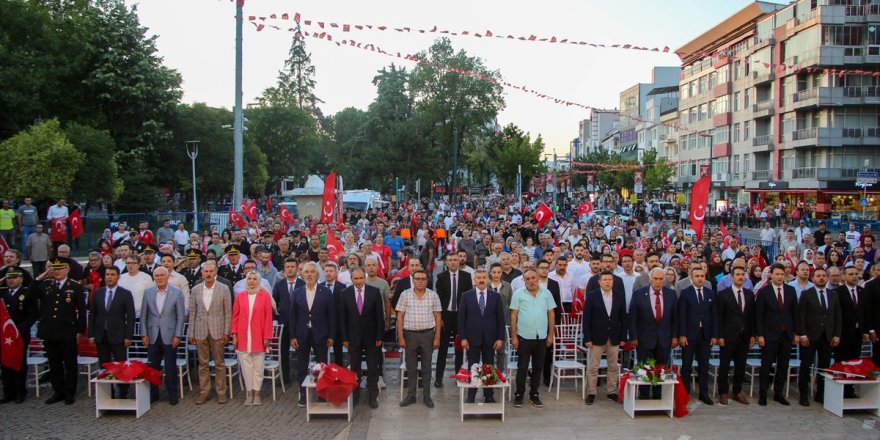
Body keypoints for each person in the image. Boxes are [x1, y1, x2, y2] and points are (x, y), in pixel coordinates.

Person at [31, 257, 86, 405]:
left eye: (60, 268)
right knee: (54, 363)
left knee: (70, 363)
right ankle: (58, 391)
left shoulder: (75, 286)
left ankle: (70, 392)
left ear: (67, 269)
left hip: (68, 331)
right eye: (54, 269)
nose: (57, 272)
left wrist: (80, 330)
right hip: (49, 330)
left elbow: (81, 310)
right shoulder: (46, 285)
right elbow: (31, 294)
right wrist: (39, 277)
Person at [290, 261, 336, 407]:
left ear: (316, 274)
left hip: (320, 334)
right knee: (302, 365)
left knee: (322, 365)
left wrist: (331, 336)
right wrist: (292, 336)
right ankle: (303, 394)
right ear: (302, 275)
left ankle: (322, 393)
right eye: (306, 272)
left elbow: (331, 315)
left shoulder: (326, 292)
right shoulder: (297, 292)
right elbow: (293, 316)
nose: (309, 274)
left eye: (312, 272)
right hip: (302, 335)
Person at [629, 267, 678, 399]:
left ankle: (658, 396)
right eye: (655, 279)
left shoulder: (671, 294)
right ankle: (644, 395)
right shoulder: (639, 294)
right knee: (645, 368)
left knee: (661, 368)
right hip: (644, 339)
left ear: (664, 280)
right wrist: (633, 336)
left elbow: (675, 318)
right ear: (650, 279)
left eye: (661, 279)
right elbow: (633, 317)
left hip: (664, 339)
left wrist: (674, 337)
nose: (658, 282)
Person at [339, 267, 385, 408]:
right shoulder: (344, 294)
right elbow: (342, 318)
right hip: (353, 338)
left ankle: (373, 395)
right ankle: (355, 394)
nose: (358, 281)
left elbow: (379, 316)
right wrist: (345, 338)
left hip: (372, 338)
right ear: (351, 279)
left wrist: (379, 336)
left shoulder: (374, 292)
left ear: (364, 278)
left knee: (373, 368)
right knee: (354, 368)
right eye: (355, 279)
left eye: (360, 278)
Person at [458, 268, 505, 404]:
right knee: (473, 366)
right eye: (478, 277)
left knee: (489, 366)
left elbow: (500, 319)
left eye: (484, 277)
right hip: (472, 339)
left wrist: (500, 338)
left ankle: (488, 394)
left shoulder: (495, 296)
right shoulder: (466, 296)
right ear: (475, 280)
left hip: (491, 339)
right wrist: (463, 338)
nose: (481, 280)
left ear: (488, 279)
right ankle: (471, 395)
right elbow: (461, 319)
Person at [510, 268, 555, 408]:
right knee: (522, 367)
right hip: (523, 337)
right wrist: (514, 337)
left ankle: (534, 394)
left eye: (533, 278)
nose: (531, 281)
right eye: (527, 279)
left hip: (541, 336)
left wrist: (550, 335)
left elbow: (551, 315)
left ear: (538, 279)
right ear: (524, 280)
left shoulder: (546, 293)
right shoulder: (518, 294)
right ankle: (519, 395)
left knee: (538, 367)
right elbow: (513, 316)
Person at [396, 269, 442, 408]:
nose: (420, 281)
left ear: (427, 281)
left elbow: (438, 317)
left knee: (427, 367)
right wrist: (401, 336)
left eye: (423, 279)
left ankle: (427, 396)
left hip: (428, 334)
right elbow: (400, 316)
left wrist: (437, 337)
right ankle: (411, 395)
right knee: (411, 367)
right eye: (417, 278)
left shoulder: (433, 295)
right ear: (413, 279)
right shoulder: (405, 295)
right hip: (410, 335)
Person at [188, 260, 233, 404]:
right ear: (201, 273)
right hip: (200, 330)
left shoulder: (224, 288)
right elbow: (192, 312)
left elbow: (228, 312)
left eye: (211, 271)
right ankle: (204, 391)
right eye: (205, 271)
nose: (208, 274)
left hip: (218, 330)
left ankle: (221, 391)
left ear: (216, 272)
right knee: (203, 364)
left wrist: (227, 332)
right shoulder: (195, 289)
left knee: (219, 363)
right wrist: (191, 333)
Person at [88, 266, 135, 398]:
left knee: (120, 365)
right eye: (107, 274)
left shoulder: (125, 294)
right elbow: (92, 316)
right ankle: (108, 393)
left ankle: (123, 391)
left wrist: (128, 336)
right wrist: (91, 335)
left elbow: (130, 317)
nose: (109, 277)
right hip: (101, 336)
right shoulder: (98, 293)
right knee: (104, 365)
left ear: (118, 277)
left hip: (119, 336)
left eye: (112, 274)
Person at [140, 267, 185, 404]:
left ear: (167, 277)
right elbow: (143, 315)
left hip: (170, 335)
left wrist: (178, 335)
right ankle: (154, 394)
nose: (159, 278)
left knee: (171, 367)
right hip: (152, 334)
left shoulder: (176, 293)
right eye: (157, 275)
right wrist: (144, 334)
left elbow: (180, 316)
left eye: (162, 275)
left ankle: (172, 395)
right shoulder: (148, 293)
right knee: (153, 367)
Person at [755, 263, 798, 406]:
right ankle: (763, 393)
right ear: (771, 275)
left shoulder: (791, 291)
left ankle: (778, 393)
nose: (780, 277)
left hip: (786, 335)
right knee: (766, 366)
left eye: (782, 274)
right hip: (769, 335)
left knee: (783, 366)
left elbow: (794, 313)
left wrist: (796, 333)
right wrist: (760, 335)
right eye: (777, 274)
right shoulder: (764, 292)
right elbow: (759, 316)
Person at [796, 267, 840, 406]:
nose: (821, 278)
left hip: (827, 336)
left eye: (823, 276)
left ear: (826, 278)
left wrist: (836, 334)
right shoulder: (806, 294)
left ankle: (821, 393)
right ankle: (803, 394)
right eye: (818, 276)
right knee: (806, 365)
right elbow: (801, 316)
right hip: (810, 336)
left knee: (824, 366)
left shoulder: (833, 295)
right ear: (813, 279)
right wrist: (802, 334)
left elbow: (837, 316)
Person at [583, 271, 627, 405]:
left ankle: (611, 391)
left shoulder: (619, 296)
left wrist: (623, 337)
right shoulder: (592, 296)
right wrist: (587, 338)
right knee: (593, 367)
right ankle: (591, 392)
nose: (607, 282)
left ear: (613, 281)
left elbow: (623, 318)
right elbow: (587, 318)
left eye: (610, 279)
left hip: (614, 336)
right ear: (599, 282)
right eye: (605, 280)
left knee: (613, 366)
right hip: (596, 337)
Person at [677, 263, 718, 405]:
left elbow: (714, 316)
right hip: (689, 335)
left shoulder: (710, 293)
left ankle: (704, 393)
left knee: (704, 366)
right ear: (691, 277)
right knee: (687, 366)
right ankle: (685, 393)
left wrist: (714, 335)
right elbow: (681, 315)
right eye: (697, 276)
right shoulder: (685, 292)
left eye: (702, 276)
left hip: (705, 335)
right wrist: (682, 334)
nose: (700, 279)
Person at [231, 271, 273, 406]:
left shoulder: (264, 296)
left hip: (259, 335)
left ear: (258, 281)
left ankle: (257, 392)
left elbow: (268, 318)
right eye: (249, 279)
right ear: (246, 280)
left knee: (258, 366)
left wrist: (267, 336)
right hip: (243, 336)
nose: (252, 281)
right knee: (246, 366)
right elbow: (235, 317)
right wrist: (234, 334)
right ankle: (249, 393)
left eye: (255, 279)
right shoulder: (240, 296)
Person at [716, 266, 754, 405]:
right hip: (727, 336)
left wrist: (752, 334)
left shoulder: (749, 294)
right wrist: (719, 336)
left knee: (741, 366)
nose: (740, 277)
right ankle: (723, 392)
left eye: (742, 274)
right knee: (724, 366)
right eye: (737, 274)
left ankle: (737, 391)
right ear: (731, 277)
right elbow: (719, 317)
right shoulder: (723, 294)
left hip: (744, 336)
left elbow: (751, 316)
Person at [434, 252, 473, 387]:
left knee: (459, 349)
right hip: (446, 317)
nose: (453, 262)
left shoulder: (467, 277)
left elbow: (468, 300)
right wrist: (440, 319)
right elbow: (438, 299)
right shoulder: (441, 277)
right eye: (450, 260)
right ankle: (438, 378)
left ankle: (459, 376)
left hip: (460, 317)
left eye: (455, 260)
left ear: (459, 261)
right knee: (443, 349)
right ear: (445, 262)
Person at [0, 268, 38, 403]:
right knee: (5, 363)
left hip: (19, 334)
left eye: (14, 277)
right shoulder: (3, 293)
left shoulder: (26, 293)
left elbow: (33, 316)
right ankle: (7, 392)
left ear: (21, 279)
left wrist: (18, 330)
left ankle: (20, 391)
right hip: (4, 336)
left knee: (19, 363)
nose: (11, 280)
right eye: (9, 278)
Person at [271, 257, 304, 385]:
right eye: (287, 267)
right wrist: (275, 320)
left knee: (301, 352)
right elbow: (274, 304)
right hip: (283, 323)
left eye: (292, 267)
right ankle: (285, 378)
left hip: (299, 324)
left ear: (297, 269)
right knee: (283, 352)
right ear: (284, 269)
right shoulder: (279, 285)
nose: (290, 269)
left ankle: (301, 378)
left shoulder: (303, 284)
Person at [835, 265, 866, 398]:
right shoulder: (838, 292)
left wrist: (865, 330)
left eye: (856, 274)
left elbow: (865, 312)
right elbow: (836, 313)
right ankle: (839, 389)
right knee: (841, 361)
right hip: (842, 333)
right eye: (851, 274)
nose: (854, 276)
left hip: (858, 334)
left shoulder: (862, 291)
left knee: (854, 362)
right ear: (844, 276)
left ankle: (850, 389)